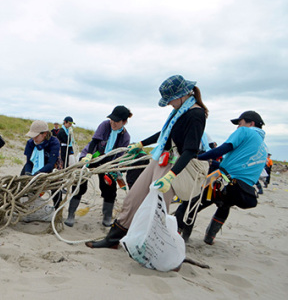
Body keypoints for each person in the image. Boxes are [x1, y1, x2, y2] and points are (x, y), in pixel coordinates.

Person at [85, 75, 207, 248]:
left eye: (170, 100)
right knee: (133, 198)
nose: (169, 104)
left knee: (157, 209)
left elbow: (190, 150)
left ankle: (154, 248)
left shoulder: (195, 114)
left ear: (182, 95)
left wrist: (171, 176)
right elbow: (166, 133)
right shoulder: (179, 111)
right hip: (159, 160)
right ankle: (113, 240)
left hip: (173, 165)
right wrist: (142, 143)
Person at [175, 111, 268, 244]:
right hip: (241, 189)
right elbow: (242, 166)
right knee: (224, 205)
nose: (238, 127)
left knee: (191, 202)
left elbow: (221, 150)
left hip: (223, 181)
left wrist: (195, 158)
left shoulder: (245, 132)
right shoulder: (263, 147)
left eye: (240, 123)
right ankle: (209, 237)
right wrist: (216, 163)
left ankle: (181, 236)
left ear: (251, 123)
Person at [65, 106, 132, 228]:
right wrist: (88, 156)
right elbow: (95, 141)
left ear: (124, 122)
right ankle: (71, 214)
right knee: (80, 182)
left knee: (109, 187)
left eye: (116, 121)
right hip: (92, 156)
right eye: (112, 119)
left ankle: (106, 217)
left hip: (108, 163)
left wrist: (115, 169)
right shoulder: (105, 125)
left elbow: (119, 157)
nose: (113, 123)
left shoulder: (125, 137)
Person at [21, 120, 61, 207]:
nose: (34, 139)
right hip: (34, 165)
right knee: (22, 181)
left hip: (51, 166)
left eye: (36, 136)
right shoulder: (30, 143)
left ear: (44, 134)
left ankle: (57, 211)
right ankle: (24, 205)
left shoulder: (54, 142)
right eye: (32, 136)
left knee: (57, 187)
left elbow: (51, 164)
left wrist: (37, 175)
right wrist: (28, 176)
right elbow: (29, 162)